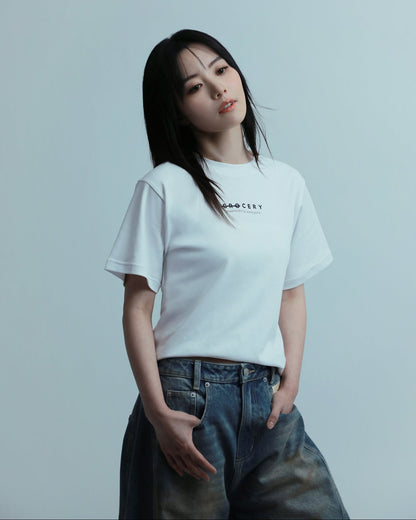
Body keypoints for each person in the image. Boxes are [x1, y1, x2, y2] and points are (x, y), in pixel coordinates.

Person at [104, 28, 349, 520]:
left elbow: (291, 292)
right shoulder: (164, 186)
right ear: (178, 110)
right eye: (195, 86)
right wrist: (156, 411)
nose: (218, 88)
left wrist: (290, 382)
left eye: (221, 69)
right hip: (187, 397)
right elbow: (137, 308)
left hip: (266, 397)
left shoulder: (286, 184)